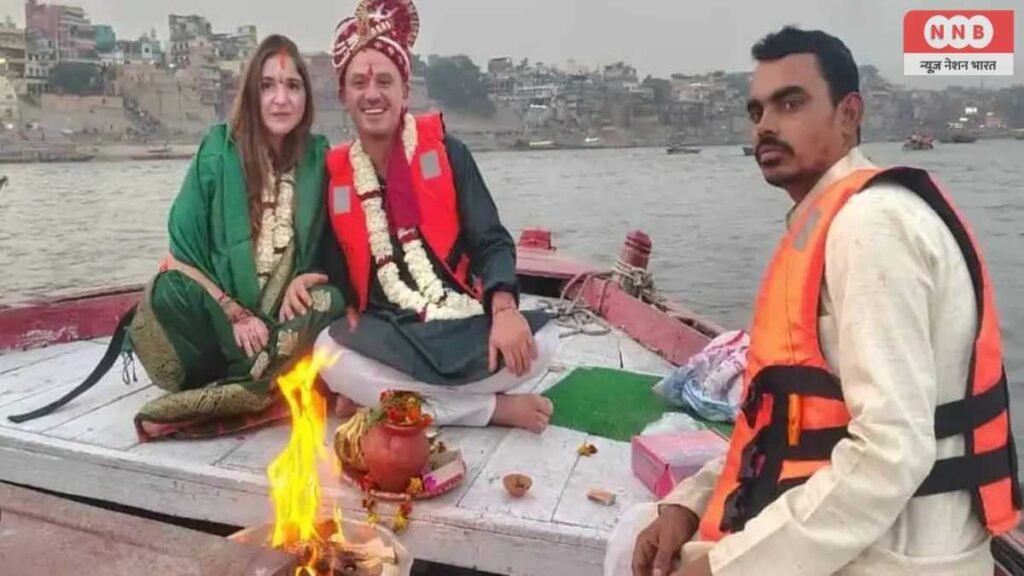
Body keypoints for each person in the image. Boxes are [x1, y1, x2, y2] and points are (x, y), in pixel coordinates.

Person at [608, 26, 1020, 576]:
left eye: (791, 102)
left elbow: (889, 453)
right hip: (855, 538)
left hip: (894, 560)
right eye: (757, 112)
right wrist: (690, 502)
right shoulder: (833, 222)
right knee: (642, 529)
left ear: (849, 114)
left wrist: (722, 568)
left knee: (629, 549)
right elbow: (777, 427)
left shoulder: (872, 227)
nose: (767, 126)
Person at [8, 34, 345, 439]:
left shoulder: (318, 159)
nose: (281, 98)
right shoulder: (218, 150)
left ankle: (247, 389)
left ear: (306, 96)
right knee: (168, 290)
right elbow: (179, 254)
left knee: (331, 300)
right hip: (217, 325)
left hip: (279, 323)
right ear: (251, 95)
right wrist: (232, 312)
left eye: (293, 86)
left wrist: (306, 277)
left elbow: (334, 245)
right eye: (267, 85)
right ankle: (261, 381)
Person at [313, 0, 559, 433]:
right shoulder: (334, 178)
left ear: (405, 91)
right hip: (387, 333)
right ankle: (489, 410)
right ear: (344, 96)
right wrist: (305, 277)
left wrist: (503, 309)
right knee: (326, 353)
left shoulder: (449, 155)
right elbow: (329, 267)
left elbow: (493, 242)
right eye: (360, 83)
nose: (373, 93)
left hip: (459, 320)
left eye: (385, 80)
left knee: (545, 343)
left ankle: (386, 398)